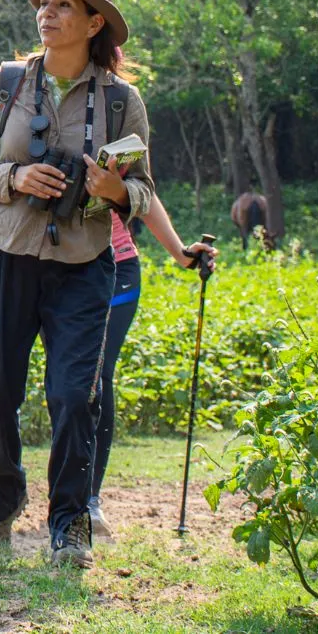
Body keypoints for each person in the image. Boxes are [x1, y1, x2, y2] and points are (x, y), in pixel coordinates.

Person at [0, 0, 214, 568]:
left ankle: (69, 524)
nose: (47, 12)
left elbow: (145, 189)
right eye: (44, 3)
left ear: (95, 22)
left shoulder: (123, 103)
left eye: (64, 5)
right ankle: (5, 496)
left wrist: (115, 190)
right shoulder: (5, 84)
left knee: (76, 395)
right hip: (5, 256)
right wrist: (15, 175)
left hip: (84, 263)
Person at [88, 195, 214, 539]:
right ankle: (63, 484)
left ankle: (89, 497)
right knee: (64, 378)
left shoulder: (126, 140)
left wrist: (180, 253)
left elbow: (143, 190)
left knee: (97, 375)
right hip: (57, 266)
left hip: (118, 265)